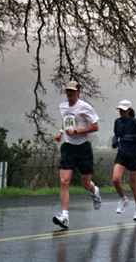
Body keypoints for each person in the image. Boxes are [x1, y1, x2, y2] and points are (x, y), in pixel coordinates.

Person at [52, 81, 102, 229]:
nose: (69, 94)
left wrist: (76, 132)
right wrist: (61, 133)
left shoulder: (85, 107)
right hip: (68, 148)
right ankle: (65, 216)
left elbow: (95, 126)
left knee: (86, 184)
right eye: (67, 91)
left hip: (83, 148)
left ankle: (94, 190)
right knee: (64, 181)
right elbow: (66, 121)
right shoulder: (63, 106)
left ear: (78, 92)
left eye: (72, 91)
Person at [111, 100, 136, 221]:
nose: (121, 112)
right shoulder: (117, 122)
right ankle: (123, 200)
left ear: (129, 110)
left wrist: (130, 138)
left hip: (134, 154)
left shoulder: (135, 122)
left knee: (133, 184)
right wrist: (115, 140)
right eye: (120, 110)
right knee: (115, 179)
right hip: (122, 154)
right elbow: (116, 134)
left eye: (123, 110)